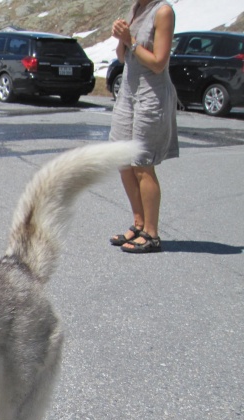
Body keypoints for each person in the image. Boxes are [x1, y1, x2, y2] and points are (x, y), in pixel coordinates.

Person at [108, 0, 178, 254]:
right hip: (128, 93)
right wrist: (121, 38)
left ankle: (151, 233)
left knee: (142, 164)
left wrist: (131, 39)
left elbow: (159, 62)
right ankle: (138, 223)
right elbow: (121, 56)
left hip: (151, 95)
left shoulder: (163, 11)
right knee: (123, 159)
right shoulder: (136, 8)